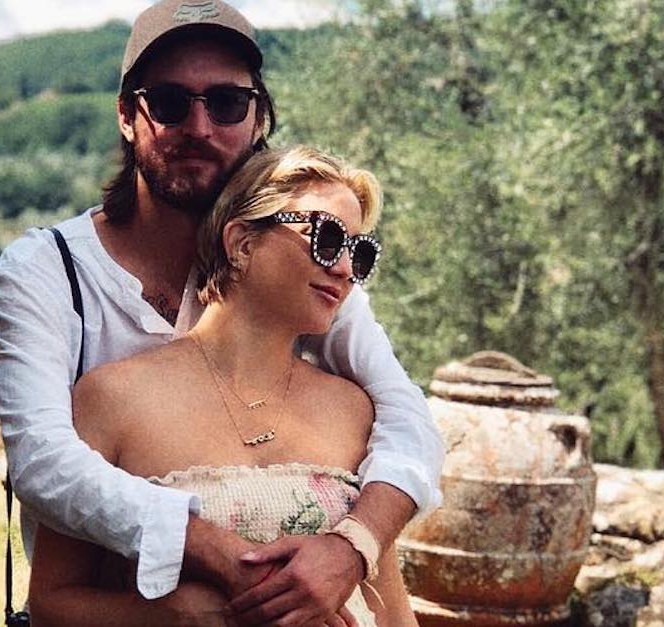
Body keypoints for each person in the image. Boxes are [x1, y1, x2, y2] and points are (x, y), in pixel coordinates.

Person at [0, 0, 444, 623]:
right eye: (169, 102)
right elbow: (43, 461)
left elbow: (407, 420)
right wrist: (215, 560)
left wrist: (352, 546)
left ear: (258, 120)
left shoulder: (309, 278)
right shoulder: (48, 273)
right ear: (127, 116)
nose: (199, 126)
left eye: (227, 103)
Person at [28, 145, 420, 626]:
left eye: (359, 254)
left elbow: (391, 610)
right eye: (327, 237)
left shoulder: (354, 410)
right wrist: (167, 617)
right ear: (242, 242)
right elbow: (49, 604)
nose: (343, 269)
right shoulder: (111, 400)